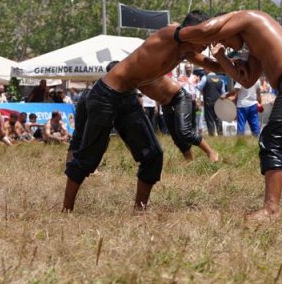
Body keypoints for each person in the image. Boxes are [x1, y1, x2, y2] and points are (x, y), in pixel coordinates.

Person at [177, 9, 282, 219]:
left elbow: (205, 29)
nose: (224, 44)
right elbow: (246, 81)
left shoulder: (248, 17)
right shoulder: (255, 45)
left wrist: (177, 35)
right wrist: (221, 57)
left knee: (273, 141)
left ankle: (270, 210)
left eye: (222, 39)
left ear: (228, 26)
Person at [63, 12, 219, 212]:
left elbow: (216, 66)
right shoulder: (169, 34)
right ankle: (66, 210)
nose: (207, 44)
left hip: (127, 96)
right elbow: (180, 31)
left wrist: (228, 59)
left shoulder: (186, 52)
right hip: (106, 95)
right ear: (193, 32)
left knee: (153, 155)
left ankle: (140, 211)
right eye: (205, 37)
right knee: (90, 157)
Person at [140, 76, 220, 162]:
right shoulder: (133, 80)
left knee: (184, 131)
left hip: (179, 97)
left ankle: (210, 152)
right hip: (165, 105)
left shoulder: (147, 70)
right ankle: (190, 161)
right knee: (177, 138)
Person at [197, 71, 226, 136]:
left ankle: (211, 134)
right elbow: (223, 93)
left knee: (210, 119)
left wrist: (197, 82)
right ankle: (220, 134)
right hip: (218, 102)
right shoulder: (220, 79)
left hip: (208, 101)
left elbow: (199, 87)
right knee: (218, 118)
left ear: (208, 70)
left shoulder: (205, 78)